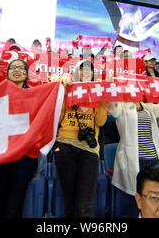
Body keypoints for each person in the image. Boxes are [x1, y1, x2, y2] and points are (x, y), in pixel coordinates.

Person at [0, 59, 38, 218]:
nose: (16, 70)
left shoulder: (36, 95)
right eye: (13, 68)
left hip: (22, 158)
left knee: (15, 206)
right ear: (8, 72)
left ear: (26, 74)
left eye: (21, 68)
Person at [107, 98, 159, 217]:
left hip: (154, 160)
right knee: (136, 200)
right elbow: (112, 108)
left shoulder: (147, 106)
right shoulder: (122, 105)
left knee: (158, 197)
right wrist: (112, 89)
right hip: (135, 161)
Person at [54, 60, 108, 218]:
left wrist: (102, 99)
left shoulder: (98, 93)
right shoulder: (68, 89)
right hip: (65, 145)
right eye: (82, 69)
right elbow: (58, 119)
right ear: (76, 73)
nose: (85, 72)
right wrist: (63, 94)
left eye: (89, 70)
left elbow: (100, 122)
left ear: (93, 75)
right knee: (69, 200)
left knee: (85, 203)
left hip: (88, 149)